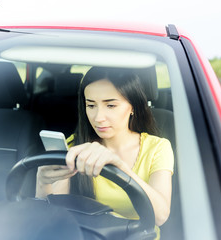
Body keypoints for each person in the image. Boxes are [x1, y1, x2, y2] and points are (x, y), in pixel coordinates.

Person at [35, 67, 174, 237]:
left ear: (133, 107)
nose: (98, 117)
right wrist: (42, 182)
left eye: (110, 105)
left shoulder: (157, 147)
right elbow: (53, 215)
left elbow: (160, 216)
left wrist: (120, 166)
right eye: (91, 105)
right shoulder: (76, 147)